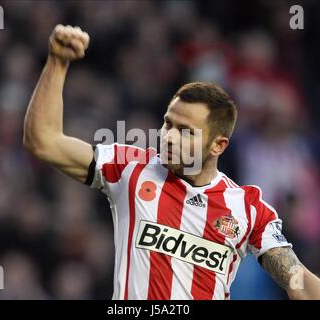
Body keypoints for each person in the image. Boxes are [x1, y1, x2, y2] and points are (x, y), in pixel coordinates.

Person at [23, 24, 320, 300]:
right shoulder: (130, 168)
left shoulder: (248, 210)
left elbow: (300, 285)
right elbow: (43, 141)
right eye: (168, 124)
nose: (169, 138)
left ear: (218, 145)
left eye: (186, 132)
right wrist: (57, 63)